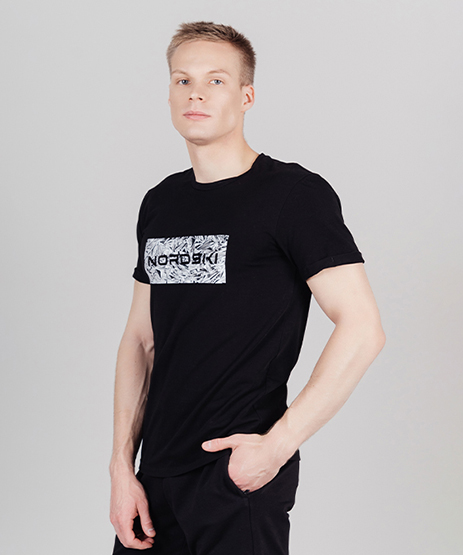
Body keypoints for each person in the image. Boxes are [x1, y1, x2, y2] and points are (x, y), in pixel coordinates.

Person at [109, 20, 386, 555]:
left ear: (246, 96)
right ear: (169, 94)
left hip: (235, 475)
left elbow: (363, 327)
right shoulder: (161, 202)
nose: (195, 93)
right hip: (154, 478)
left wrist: (277, 446)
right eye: (183, 80)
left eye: (215, 80)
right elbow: (140, 340)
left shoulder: (292, 195)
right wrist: (122, 467)